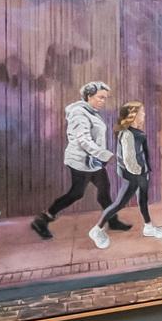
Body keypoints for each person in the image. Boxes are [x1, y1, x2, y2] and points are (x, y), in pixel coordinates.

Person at [33, 80, 128, 239]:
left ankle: (112, 220)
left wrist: (101, 156)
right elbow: (84, 140)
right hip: (81, 161)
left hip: (94, 161)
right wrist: (106, 155)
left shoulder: (90, 111)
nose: (103, 101)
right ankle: (43, 219)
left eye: (105, 98)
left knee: (104, 190)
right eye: (100, 97)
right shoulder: (79, 113)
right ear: (89, 96)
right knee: (76, 193)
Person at [90, 102, 162, 249]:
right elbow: (128, 158)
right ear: (133, 115)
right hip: (134, 174)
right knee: (120, 203)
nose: (144, 115)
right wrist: (140, 172)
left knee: (143, 200)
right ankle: (97, 229)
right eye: (142, 112)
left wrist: (145, 170)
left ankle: (148, 226)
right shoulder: (128, 134)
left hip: (141, 173)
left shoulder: (136, 133)